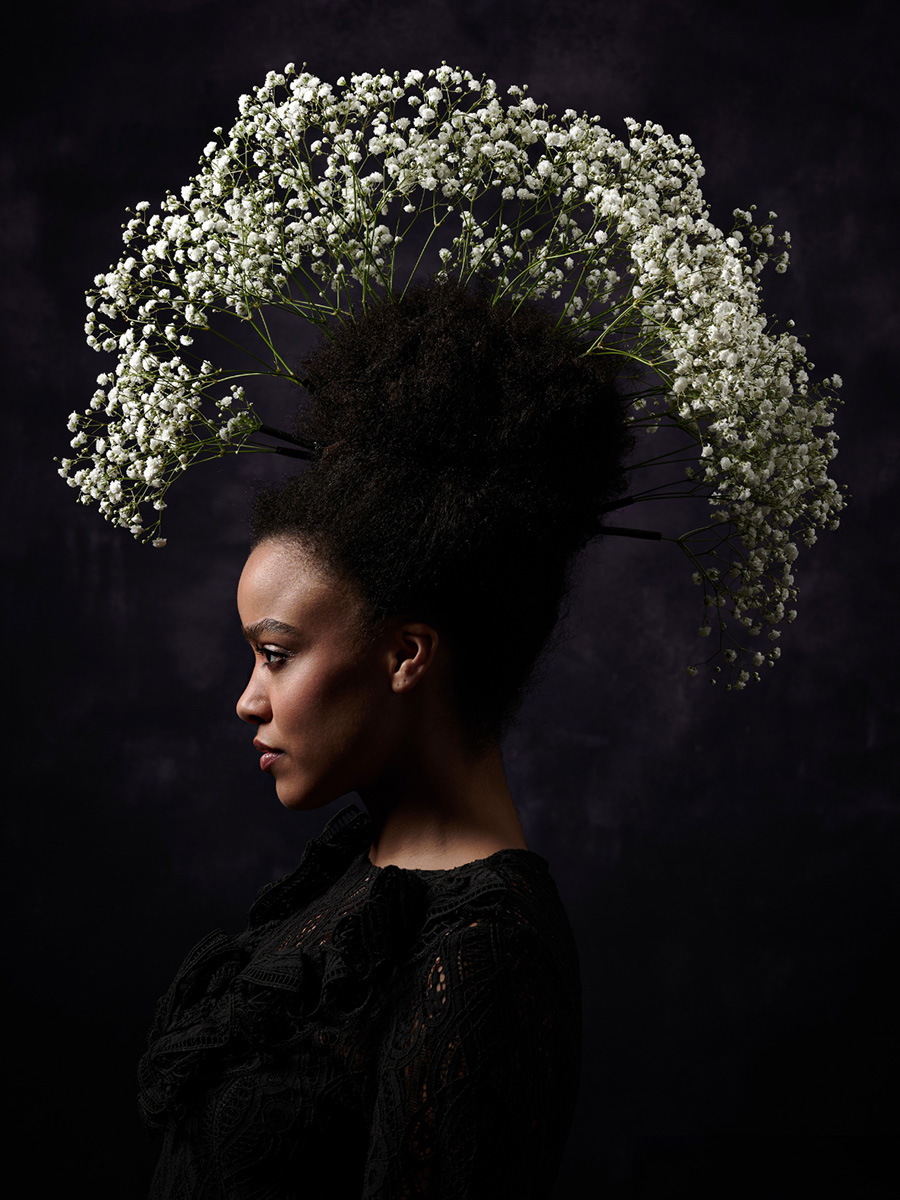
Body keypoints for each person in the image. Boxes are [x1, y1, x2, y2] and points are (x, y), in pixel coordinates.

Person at [137, 278, 634, 1198]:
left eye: (276, 655)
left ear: (407, 654)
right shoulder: (355, 872)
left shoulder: (483, 951)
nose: (248, 700)